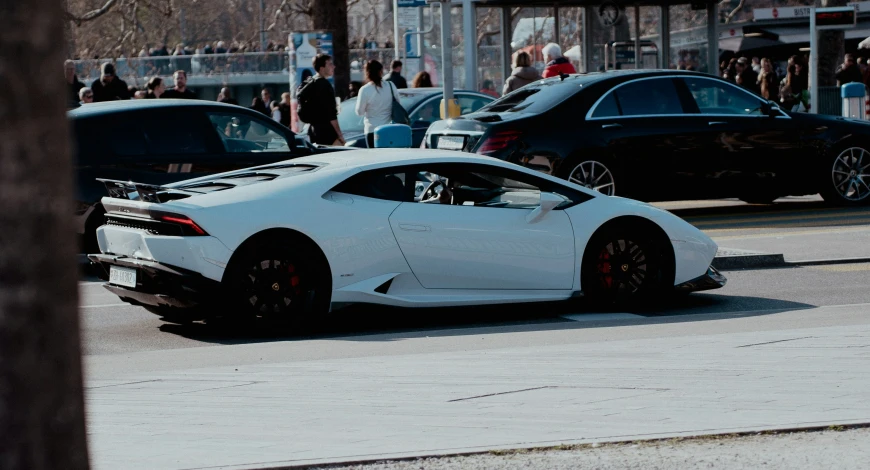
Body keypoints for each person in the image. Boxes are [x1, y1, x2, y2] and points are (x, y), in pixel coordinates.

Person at [296, 53, 345, 145]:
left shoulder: (311, 81)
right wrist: (340, 134)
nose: (333, 67)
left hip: (313, 131)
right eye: (330, 64)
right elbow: (331, 114)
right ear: (322, 68)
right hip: (327, 131)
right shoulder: (324, 85)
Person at [355, 60, 400, 148]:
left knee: (374, 158)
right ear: (381, 71)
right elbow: (398, 104)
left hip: (372, 130)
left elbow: (359, 112)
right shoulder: (391, 86)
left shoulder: (365, 90)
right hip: (388, 128)